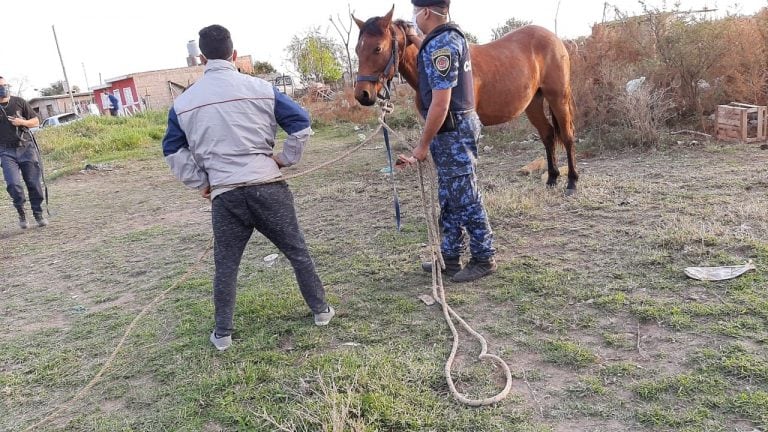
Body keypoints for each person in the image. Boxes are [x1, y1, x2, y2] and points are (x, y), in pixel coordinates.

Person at [161, 24, 334, 352]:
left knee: (226, 264)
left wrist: (203, 181)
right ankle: (321, 311)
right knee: (296, 251)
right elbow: (301, 124)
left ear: (201, 57)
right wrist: (285, 159)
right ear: (234, 53)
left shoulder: (184, 103)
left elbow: (172, 150)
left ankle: (223, 334)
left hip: (225, 195)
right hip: (267, 185)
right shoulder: (261, 88)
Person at [397, 0, 496, 283]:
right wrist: (414, 38)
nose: (414, 16)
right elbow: (427, 47)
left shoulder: (442, 47)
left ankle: (484, 257)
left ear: (425, 12)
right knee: (450, 196)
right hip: (452, 129)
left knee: (465, 195)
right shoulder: (445, 38)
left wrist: (421, 146)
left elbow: (441, 104)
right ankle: (450, 257)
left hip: (452, 130)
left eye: (416, 11)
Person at [0, 76, 48, 228]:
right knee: (13, 184)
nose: (4, 88)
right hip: (6, 151)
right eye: (1, 86)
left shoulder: (19, 101)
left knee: (34, 183)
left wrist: (22, 122)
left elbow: (36, 121)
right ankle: (21, 212)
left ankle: (38, 213)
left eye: (5, 85)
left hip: (26, 147)